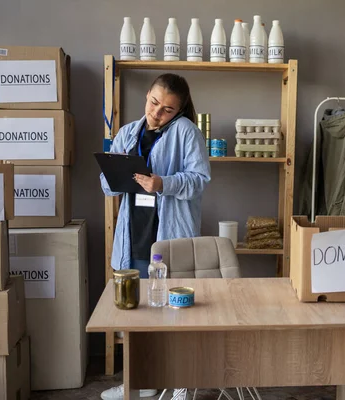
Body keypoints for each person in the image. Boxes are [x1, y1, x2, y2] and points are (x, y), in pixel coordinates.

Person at [99, 73, 211, 400]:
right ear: (147, 94)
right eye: (154, 103)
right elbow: (107, 184)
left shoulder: (188, 133)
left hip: (169, 232)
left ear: (179, 111)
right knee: (136, 311)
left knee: (176, 312)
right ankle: (139, 381)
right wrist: (113, 176)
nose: (156, 113)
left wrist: (162, 184)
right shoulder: (128, 132)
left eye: (167, 110)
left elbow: (199, 180)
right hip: (134, 231)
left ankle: (181, 386)